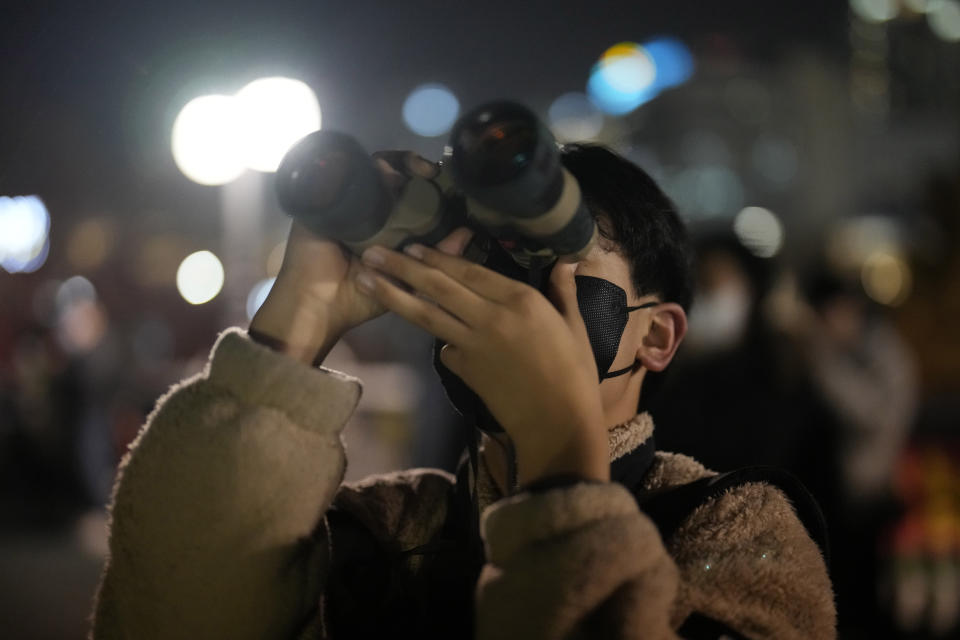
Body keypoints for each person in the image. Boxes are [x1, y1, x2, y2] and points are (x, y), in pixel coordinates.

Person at [90, 144, 835, 639]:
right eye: (487, 260)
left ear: (657, 335)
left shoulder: (738, 528)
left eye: (556, 262)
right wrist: (298, 323)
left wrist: (559, 450)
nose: (508, 292)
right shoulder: (390, 528)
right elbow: (167, 608)